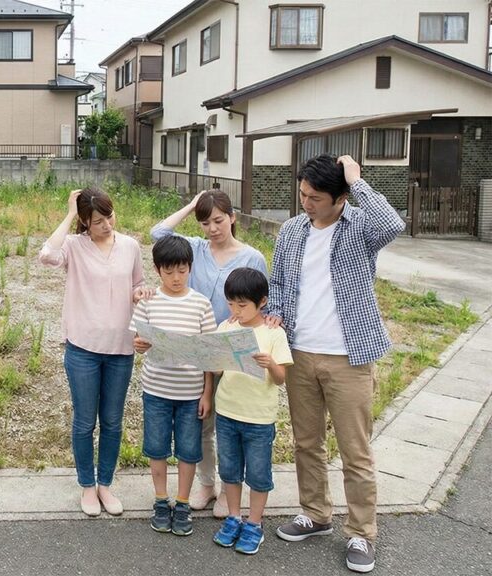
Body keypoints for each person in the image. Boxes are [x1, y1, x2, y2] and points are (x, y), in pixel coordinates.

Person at [268, 155, 404, 573]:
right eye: (303, 193)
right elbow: (279, 283)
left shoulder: (361, 226)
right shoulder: (291, 230)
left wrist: (357, 179)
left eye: (316, 197)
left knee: (354, 450)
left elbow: (393, 224)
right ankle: (316, 513)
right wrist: (273, 313)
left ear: (340, 198)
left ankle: (362, 532)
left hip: (348, 355)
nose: (306, 202)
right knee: (307, 442)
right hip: (300, 352)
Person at [150, 189, 267, 518]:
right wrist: (191, 204)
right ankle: (206, 483)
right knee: (201, 423)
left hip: (234, 348)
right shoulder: (196, 249)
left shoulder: (252, 257)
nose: (212, 228)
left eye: (218, 220)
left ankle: (232, 493)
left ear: (232, 217)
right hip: (197, 350)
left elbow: (261, 301)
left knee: (233, 422)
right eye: (205, 222)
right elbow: (158, 234)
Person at [39, 187, 145, 517]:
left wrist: (142, 297)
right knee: (85, 421)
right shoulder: (73, 246)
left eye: (109, 216)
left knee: (112, 422)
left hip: (121, 349)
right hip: (83, 348)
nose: (106, 225)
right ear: (85, 223)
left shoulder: (130, 246)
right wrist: (70, 212)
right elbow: (46, 255)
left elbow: (137, 286)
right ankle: (87, 485)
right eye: (97, 221)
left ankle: (105, 485)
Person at [131, 235, 216, 536]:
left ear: (190, 268)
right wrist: (140, 344)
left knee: (188, 450)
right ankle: (160, 499)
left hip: (191, 393)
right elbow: (137, 339)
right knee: (156, 447)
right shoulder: (149, 301)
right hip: (156, 390)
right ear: (158, 270)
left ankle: (182, 503)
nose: (176, 277)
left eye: (182, 270)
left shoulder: (200, 304)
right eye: (169, 272)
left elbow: (208, 352)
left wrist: (207, 392)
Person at [210, 267, 293, 555]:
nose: (236, 310)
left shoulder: (273, 333)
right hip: (227, 411)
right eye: (231, 303)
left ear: (262, 302)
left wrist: (270, 364)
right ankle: (234, 518)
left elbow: (282, 378)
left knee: (258, 474)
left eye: (242, 304)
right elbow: (216, 368)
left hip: (258, 417)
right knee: (230, 471)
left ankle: (254, 523)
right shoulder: (226, 327)